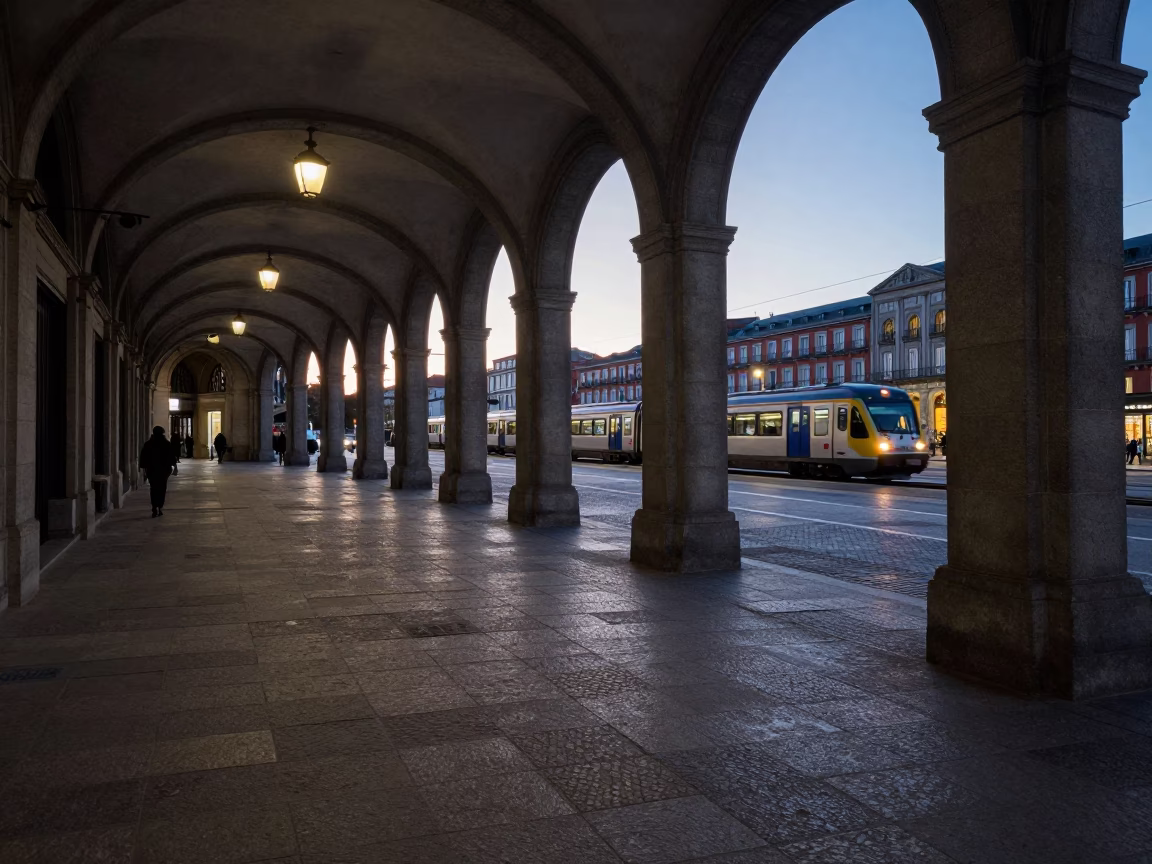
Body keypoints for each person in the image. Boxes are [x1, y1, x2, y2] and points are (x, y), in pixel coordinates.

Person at [140, 426, 176, 517]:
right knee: (162, 488)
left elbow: (143, 457)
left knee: (153, 488)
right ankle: (160, 507)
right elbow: (172, 456)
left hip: (152, 470)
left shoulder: (148, 444)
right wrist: (174, 466)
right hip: (164, 470)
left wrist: (143, 469)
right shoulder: (166, 443)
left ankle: (154, 506)